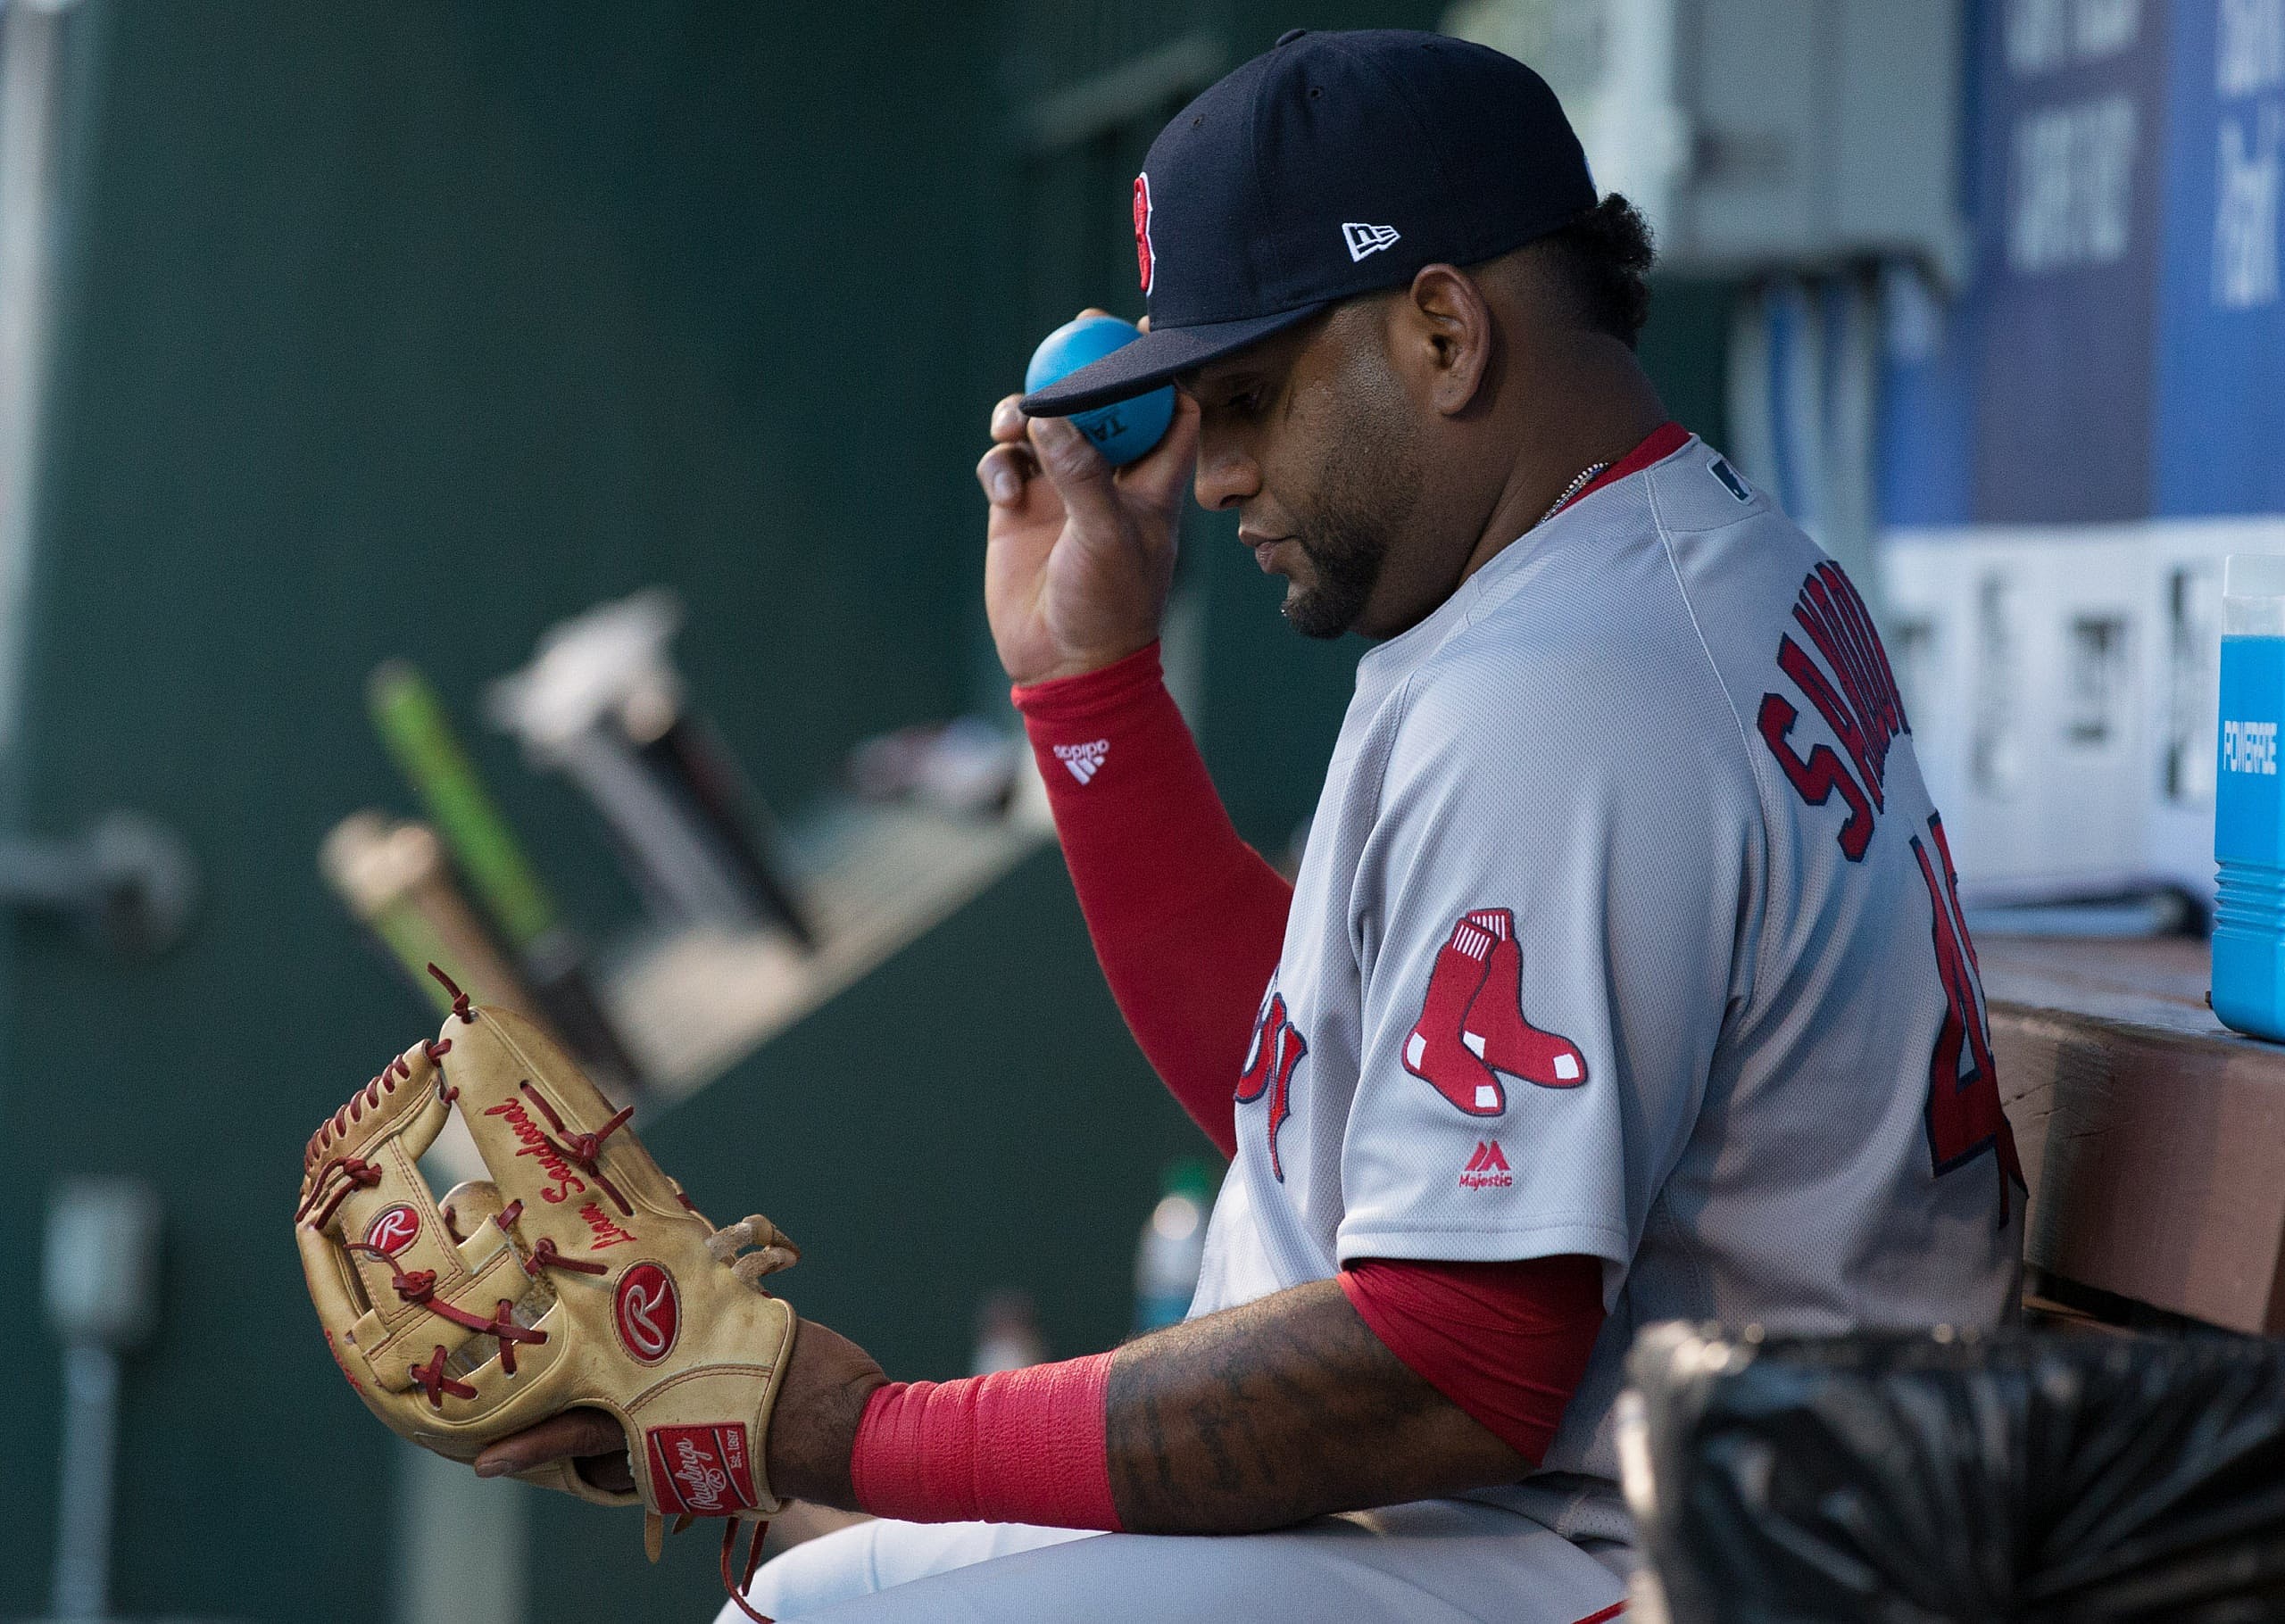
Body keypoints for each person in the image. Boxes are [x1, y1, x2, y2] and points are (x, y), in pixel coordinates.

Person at [477, 29, 2023, 1623]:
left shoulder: (1569, 686)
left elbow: (1453, 1365)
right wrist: (1088, 690)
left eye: (1250, 398)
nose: (1212, 475)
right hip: (1628, 1518)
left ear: (1443, 333)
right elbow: (1322, 1107)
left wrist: (856, 1434)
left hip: (1664, 1564)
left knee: (814, 1613)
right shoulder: (1653, 568)